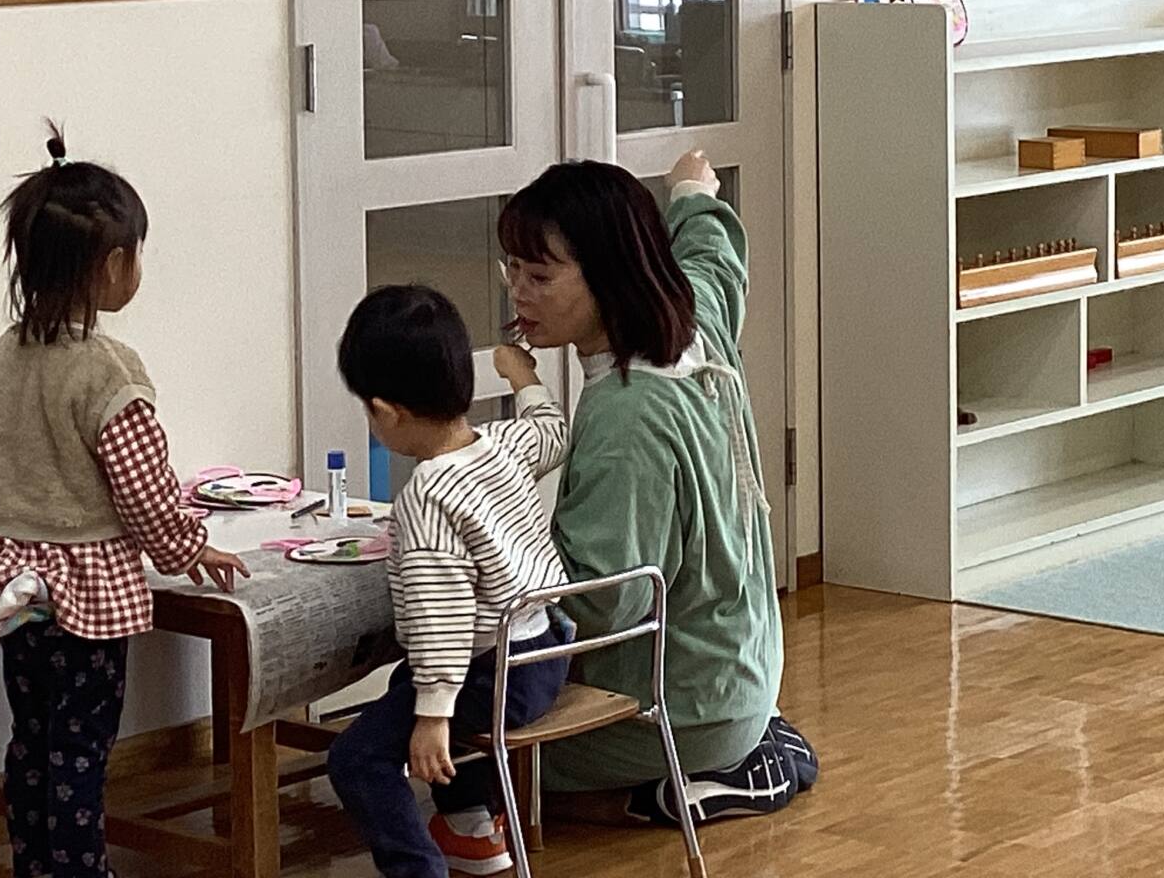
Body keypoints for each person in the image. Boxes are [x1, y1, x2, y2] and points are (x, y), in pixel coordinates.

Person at [494, 148, 818, 832]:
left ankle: (698, 777)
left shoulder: (626, 416)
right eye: (512, 270)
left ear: (610, 275)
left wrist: (489, 556)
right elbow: (714, 260)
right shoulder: (692, 320)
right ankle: (745, 745)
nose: (518, 293)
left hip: (681, 707)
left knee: (462, 755)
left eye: (540, 276)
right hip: (740, 668)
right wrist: (692, 190)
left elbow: (606, 603)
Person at [0, 125, 248, 878]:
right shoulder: (108, 371)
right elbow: (145, 492)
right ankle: (81, 869)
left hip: (11, 581)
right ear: (114, 264)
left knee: (32, 739)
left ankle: (35, 866)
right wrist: (190, 546)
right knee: (80, 748)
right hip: (83, 592)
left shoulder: (4, 354)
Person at [326, 286, 573, 878]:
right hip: (546, 654)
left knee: (356, 758)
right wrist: (522, 376)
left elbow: (442, 615)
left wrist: (434, 715)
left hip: (493, 679)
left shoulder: (428, 495)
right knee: (407, 682)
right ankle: (471, 828)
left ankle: (418, 869)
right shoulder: (503, 445)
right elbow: (551, 430)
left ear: (386, 413)